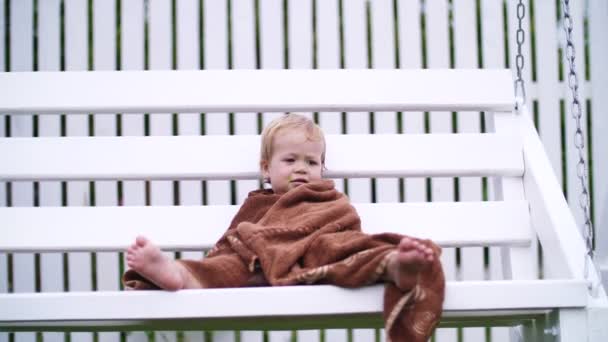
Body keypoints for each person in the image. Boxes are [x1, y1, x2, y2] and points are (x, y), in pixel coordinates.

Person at [123, 113, 445, 341]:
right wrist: (253, 247)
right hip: (260, 262)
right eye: (290, 161)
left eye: (311, 162)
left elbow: (348, 230)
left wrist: (330, 238)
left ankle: (397, 266)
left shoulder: (329, 197)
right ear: (266, 168)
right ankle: (177, 273)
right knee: (227, 265)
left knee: (347, 249)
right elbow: (236, 239)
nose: (301, 169)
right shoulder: (258, 205)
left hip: (321, 251)